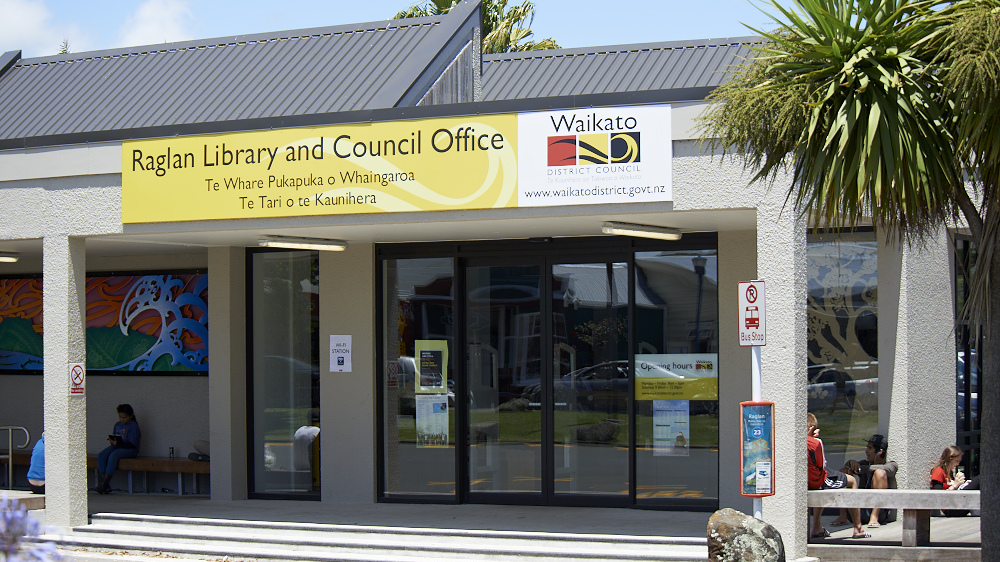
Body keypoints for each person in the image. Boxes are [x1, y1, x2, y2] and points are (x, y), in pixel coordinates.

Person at [807, 413, 868, 539]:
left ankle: (817, 527)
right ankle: (858, 528)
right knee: (851, 481)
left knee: (822, 485)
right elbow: (821, 464)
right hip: (817, 479)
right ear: (811, 428)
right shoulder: (815, 442)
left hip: (807, 481)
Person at [831, 434, 898, 527]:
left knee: (879, 473)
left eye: (869, 448)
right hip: (860, 509)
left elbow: (887, 470)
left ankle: (874, 517)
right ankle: (843, 516)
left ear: (880, 452)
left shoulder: (891, 464)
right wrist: (851, 463)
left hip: (879, 513)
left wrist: (860, 468)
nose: (866, 451)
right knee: (844, 472)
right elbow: (848, 467)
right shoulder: (864, 463)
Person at [96, 403, 141, 494]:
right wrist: (113, 441)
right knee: (101, 455)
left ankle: (104, 483)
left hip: (130, 449)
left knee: (113, 455)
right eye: (120, 417)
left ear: (130, 416)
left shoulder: (133, 426)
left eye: (125, 417)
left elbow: (133, 444)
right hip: (117, 446)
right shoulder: (117, 425)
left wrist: (119, 444)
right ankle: (104, 483)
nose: (122, 420)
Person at [931, 445, 979, 516]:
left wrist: (963, 484)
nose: (958, 464)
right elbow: (937, 496)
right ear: (950, 459)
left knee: (977, 483)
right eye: (957, 461)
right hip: (950, 508)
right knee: (979, 480)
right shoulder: (938, 472)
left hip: (955, 503)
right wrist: (955, 485)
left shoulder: (949, 472)